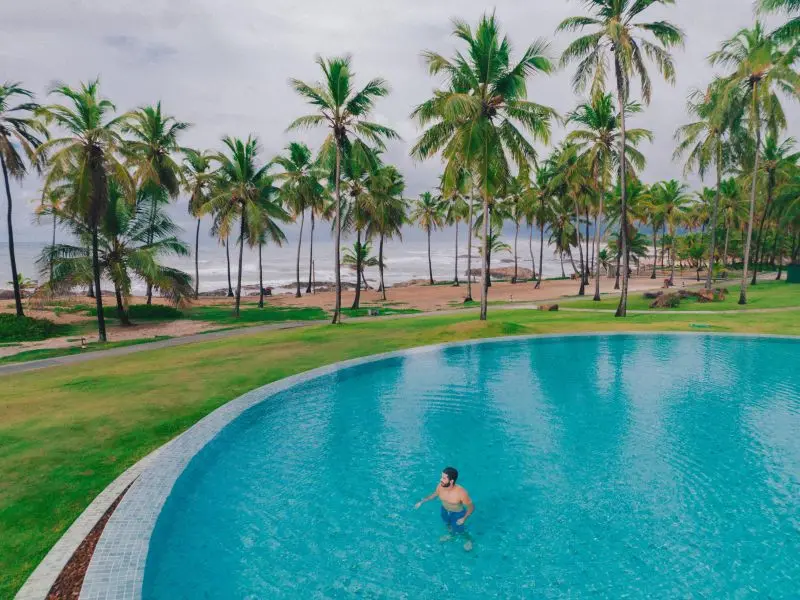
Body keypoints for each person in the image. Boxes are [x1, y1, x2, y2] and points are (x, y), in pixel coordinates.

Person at [414, 467, 474, 550]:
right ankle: (451, 535)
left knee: (460, 530)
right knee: (447, 524)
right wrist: (422, 502)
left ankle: (468, 539)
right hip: (445, 510)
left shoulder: (461, 493)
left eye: (444, 478)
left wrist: (464, 518)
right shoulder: (440, 486)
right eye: (441, 477)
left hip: (457, 514)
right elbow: (434, 494)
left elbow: (471, 507)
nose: (440, 479)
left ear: (451, 481)